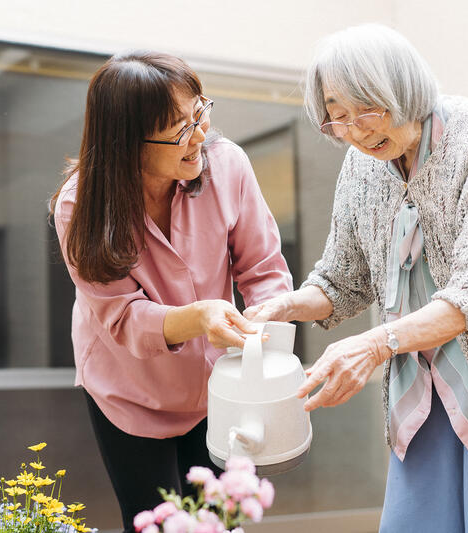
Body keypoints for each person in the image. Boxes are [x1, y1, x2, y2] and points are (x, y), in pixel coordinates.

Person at [245, 24, 468, 531]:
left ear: (403, 88)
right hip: (424, 377)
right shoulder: (360, 165)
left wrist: (376, 344)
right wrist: (291, 304)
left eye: (368, 109)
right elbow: (342, 277)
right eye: (337, 116)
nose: (354, 130)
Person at [50, 51, 292, 533]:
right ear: (127, 144)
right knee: (154, 525)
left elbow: (262, 267)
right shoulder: (80, 207)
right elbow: (122, 316)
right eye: (179, 129)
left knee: (219, 522)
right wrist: (200, 317)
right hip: (129, 391)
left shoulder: (227, 167)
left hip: (217, 387)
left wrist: (263, 329)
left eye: (199, 113)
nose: (199, 135)